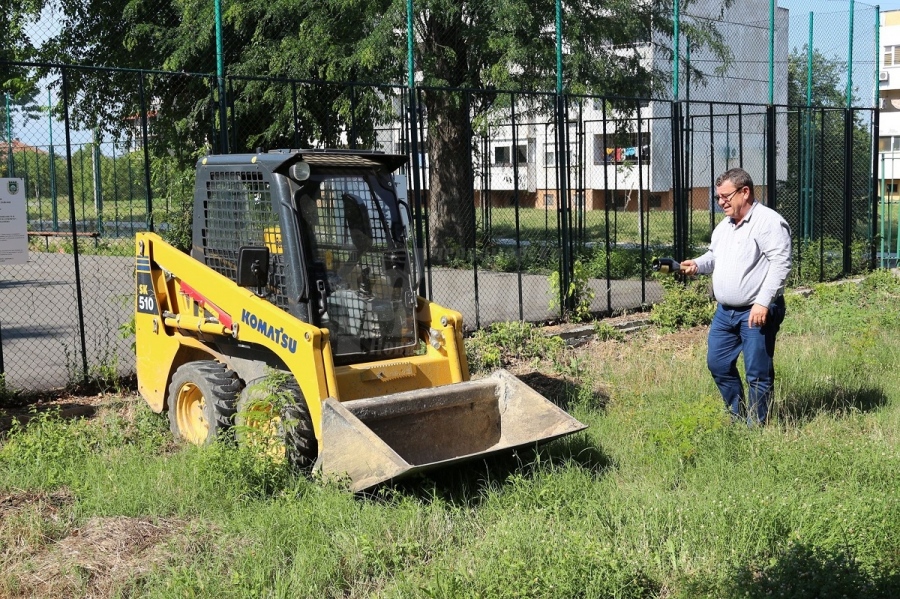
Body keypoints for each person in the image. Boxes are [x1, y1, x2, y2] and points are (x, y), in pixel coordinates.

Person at [680, 168, 792, 425]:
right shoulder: (725, 226)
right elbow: (714, 257)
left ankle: (756, 426)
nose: (721, 202)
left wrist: (763, 302)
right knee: (717, 364)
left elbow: (781, 264)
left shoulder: (768, 222)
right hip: (725, 312)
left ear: (745, 192)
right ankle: (738, 415)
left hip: (756, 310)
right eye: (718, 197)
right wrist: (697, 264)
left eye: (726, 196)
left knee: (757, 373)